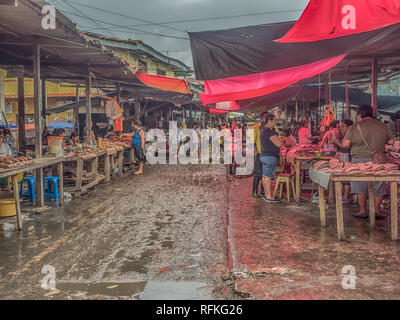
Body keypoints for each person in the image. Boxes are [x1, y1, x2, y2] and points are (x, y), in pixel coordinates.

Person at [341, 105, 395, 219]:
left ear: (360, 115)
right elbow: (391, 141)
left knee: (360, 184)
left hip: (359, 160)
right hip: (378, 159)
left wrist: (336, 142)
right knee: (379, 185)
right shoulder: (382, 125)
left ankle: (362, 211)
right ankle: (376, 210)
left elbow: (345, 145)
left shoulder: (355, 127)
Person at [260, 113, 283, 202]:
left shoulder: (263, 131)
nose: (275, 123)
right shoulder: (269, 132)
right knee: (268, 177)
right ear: (269, 121)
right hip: (270, 157)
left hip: (264, 156)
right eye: (274, 121)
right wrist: (279, 139)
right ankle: (269, 196)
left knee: (265, 176)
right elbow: (279, 144)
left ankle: (266, 195)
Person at [333, 119, 354, 203]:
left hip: (347, 157)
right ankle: (343, 195)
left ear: (349, 127)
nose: (341, 128)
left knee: (346, 177)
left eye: (343, 126)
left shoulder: (350, 135)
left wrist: (336, 142)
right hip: (342, 156)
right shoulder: (344, 135)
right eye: (340, 126)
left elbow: (346, 147)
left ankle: (345, 196)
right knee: (342, 176)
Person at [252, 112, 268, 198]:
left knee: (265, 173)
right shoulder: (256, 128)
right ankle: (254, 191)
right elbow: (252, 141)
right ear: (262, 118)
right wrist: (256, 152)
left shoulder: (269, 128)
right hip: (259, 153)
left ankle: (263, 191)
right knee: (257, 173)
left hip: (266, 153)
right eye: (265, 117)